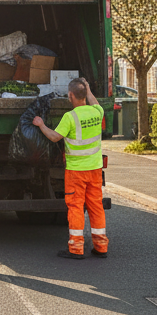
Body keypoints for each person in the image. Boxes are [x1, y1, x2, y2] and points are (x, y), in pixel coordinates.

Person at [33, 77, 106, 259]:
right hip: (95, 169)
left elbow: (54, 137)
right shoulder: (97, 112)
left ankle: (76, 248)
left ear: (70, 96)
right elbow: (95, 102)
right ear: (85, 94)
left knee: (75, 206)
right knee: (96, 206)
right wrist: (88, 89)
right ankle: (101, 246)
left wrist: (41, 125)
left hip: (76, 172)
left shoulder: (70, 117)